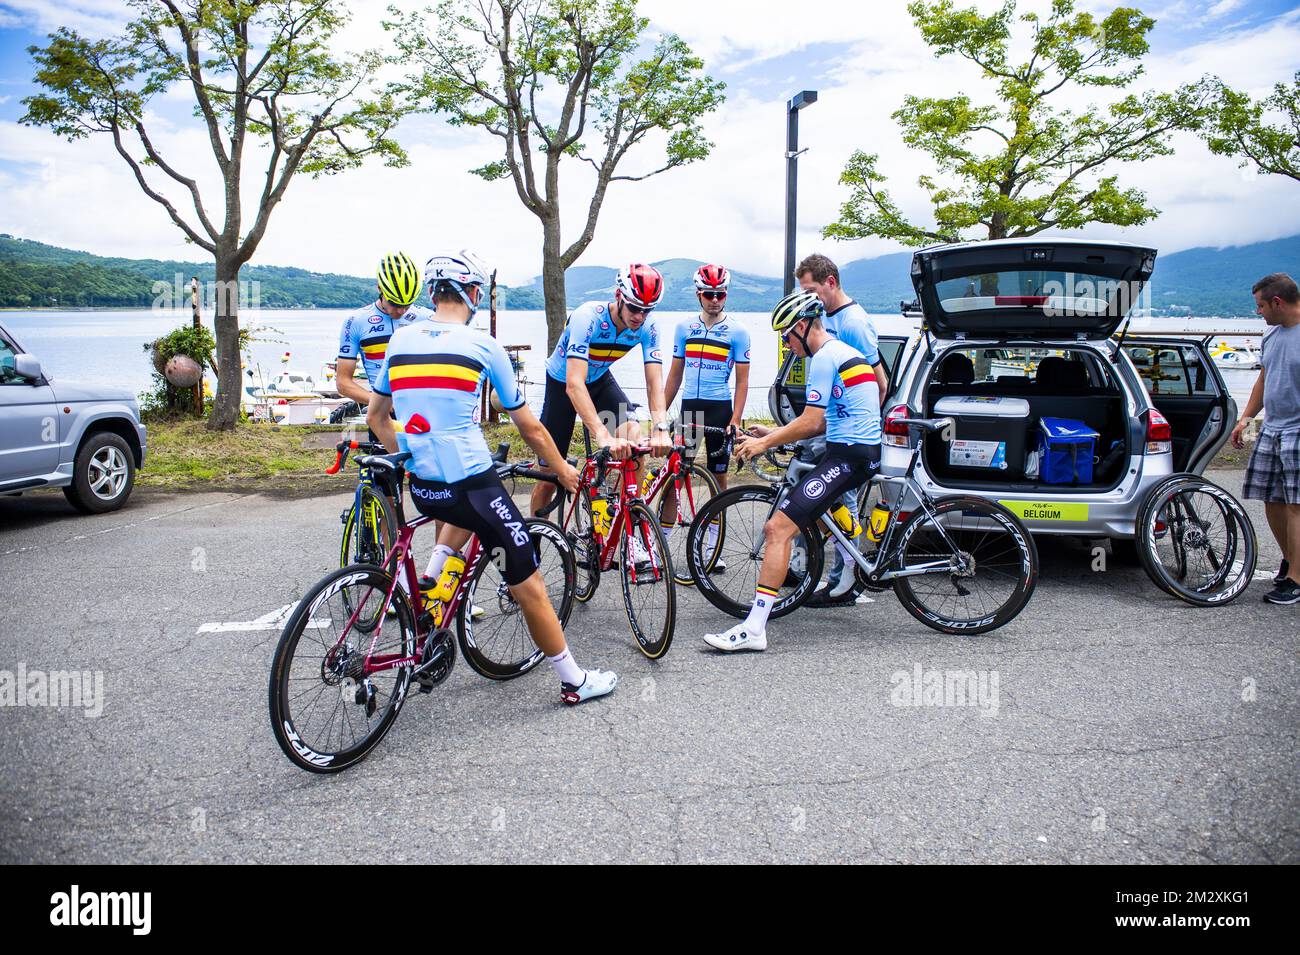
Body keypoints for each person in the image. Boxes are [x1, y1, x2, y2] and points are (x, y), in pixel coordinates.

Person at [367, 249, 618, 704]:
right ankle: (574, 681)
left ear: (432, 291)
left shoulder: (400, 339)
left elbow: (377, 415)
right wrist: (562, 471)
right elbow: (531, 427)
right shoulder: (483, 346)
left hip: (424, 487)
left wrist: (409, 459)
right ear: (475, 294)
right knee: (531, 584)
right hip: (471, 481)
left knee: (464, 513)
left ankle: (429, 603)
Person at [702, 290, 882, 652]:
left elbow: (813, 422)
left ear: (802, 326)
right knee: (811, 514)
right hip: (854, 452)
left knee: (777, 529)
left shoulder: (825, 359)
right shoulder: (842, 353)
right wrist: (774, 432)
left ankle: (754, 629)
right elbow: (827, 419)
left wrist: (764, 445)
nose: (785, 343)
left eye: (786, 334)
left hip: (848, 458)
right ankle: (851, 564)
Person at [529, 263, 674, 520]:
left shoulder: (649, 327)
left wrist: (661, 427)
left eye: (647, 310)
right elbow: (574, 384)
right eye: (634, 307)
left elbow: (654, 383)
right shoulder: (589, 317)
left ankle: (621, 526)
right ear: (619, 296)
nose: (639, 316)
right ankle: (533, 548)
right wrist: (602, 435)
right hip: (563, 384)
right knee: (549, 478)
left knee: (635, 439)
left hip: (599, 380)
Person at [795, 253, 890, 606]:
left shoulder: (853, 322)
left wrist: (859, 426)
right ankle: (802, 566)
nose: (808, 297)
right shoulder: (821, 318)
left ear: (830, 282)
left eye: (811, 289)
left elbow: (876, 383)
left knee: (842, 503)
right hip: (825, 423)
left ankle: (845, 582)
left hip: (845, 430)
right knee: (810, 493)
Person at [662, 263, 750, 559]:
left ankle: (714, 547)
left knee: (718, 478)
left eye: (720, 294)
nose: (715, 300)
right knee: (677, 474)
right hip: (691, 410)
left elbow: (742, 381)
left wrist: (736, 419)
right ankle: (659, 543)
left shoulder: (737, 331)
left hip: (719, 411)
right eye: (709, 294)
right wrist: (660, 414)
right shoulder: (684, 328)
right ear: (699, 294)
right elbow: (674, 375)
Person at [1232, 272, 1300, 605]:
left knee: (1296, 505)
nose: (1258, 312)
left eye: (1260, 306)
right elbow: (1264, 378)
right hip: (1273, 427)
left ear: (1277, 302)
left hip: (1298, 431)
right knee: (1271, 499)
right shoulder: (1272, 334)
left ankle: (1297, 580)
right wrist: (1247, 417)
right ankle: (1291, 561)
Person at [336, 252, 432, 419]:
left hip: (424, 411)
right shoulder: (356, 322)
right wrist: (378, 401)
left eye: (407, 305)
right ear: (380, 288)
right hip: (383, 415)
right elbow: (343, 383)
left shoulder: (428, 318)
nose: (401, 311)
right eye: (395, 303)